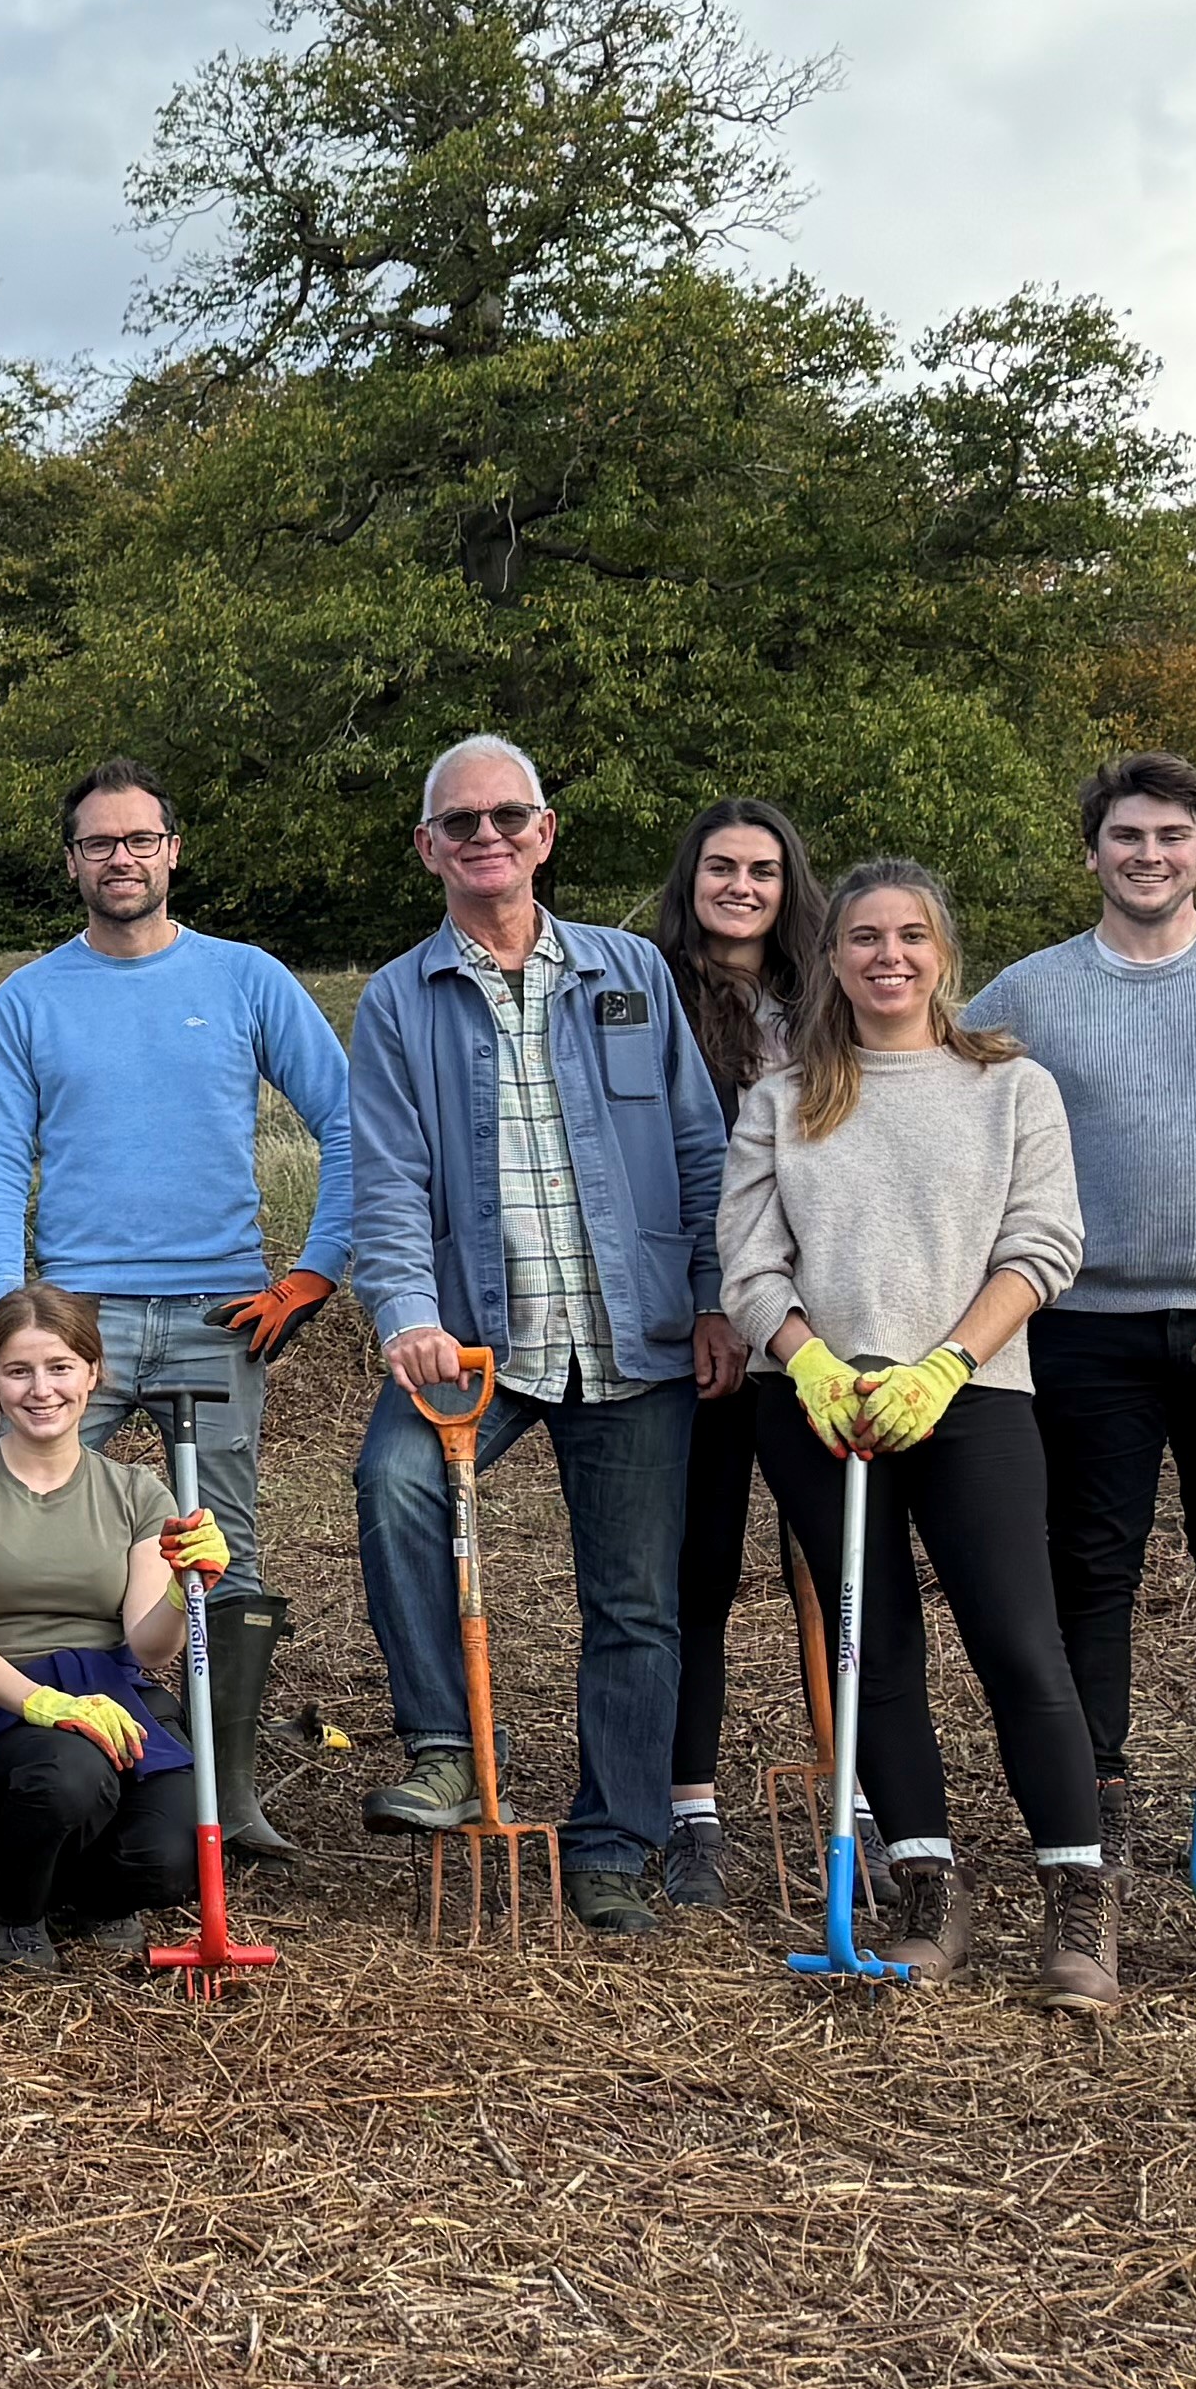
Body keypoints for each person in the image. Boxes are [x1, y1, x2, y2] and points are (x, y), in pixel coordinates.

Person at [340, 735, 735, 1939]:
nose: (486, 837)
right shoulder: (401, 1000)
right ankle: (446, 1748)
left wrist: (719, 1293)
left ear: (546, 832)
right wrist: (406, 1315)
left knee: (635, 1603)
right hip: (482, 1343)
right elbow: (389, 1183)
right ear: (428, 849)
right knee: (394, 1479)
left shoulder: (627, 974)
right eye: (460, 823)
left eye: (508, 816)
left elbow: (698, 1146)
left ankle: (616, 1839)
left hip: (639, 1335)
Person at [718, 863, 1114, 2002]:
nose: (887, 957)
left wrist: (949, 1362)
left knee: (1018, 1644)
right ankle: (927, 1882)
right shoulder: (784, 1097)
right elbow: (749, 1263)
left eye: (910, 937)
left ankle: (1078, 1892)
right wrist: (811, 1362)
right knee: (873, 1650)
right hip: (822, 1405)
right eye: (862, 939)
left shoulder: (1010, 1087)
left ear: (943, 950)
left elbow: (1043, 1243)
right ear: (833, 956)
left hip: (972, 1396)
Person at [970, 755, 1196, 1897]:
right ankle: (1098, 1796)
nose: (1148, 856)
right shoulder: (1027, 995)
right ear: (1092, 853)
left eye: (1172, 837)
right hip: (1086, 1319)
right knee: (1092, 1563)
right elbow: (934, 1084)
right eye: (1127, 836)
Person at [0, 764, 354, 1585]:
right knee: (16, 1535)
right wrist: (8, 1310)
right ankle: (44, 1707)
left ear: (173, 852)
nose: (121, 858)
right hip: (75, 1316)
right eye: (98, 842)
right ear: (71, 861)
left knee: (222, 1548)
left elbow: (354, 1129)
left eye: (140, 839)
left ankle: (224, 1719)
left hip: (222, 1315)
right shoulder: (27, 999)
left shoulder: (247, 979)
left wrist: (316, 1270)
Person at [0, 1290, 234, 1975]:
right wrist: (44, 1705)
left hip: (111, 1689)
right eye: (17, 1371)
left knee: (172, 1852)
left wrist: (186, 1586)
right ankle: (7, 1907)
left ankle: (69, 1887)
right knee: (68, 1774)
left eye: (60, 1367)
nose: (41, 1390)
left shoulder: (137, 1492)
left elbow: (149, 1646)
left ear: (93, 1372)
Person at [641, 800, 822, 1909]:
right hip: (704, 1319)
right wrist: (710, 1298)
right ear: (692, 879)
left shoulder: (828, 1000)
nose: (741, 887)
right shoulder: (652, 992)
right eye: (721, 868)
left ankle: (851, 1779)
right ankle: (691, 1801)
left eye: (762, 870)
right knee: (698, 1569)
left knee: (830, 1564)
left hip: (816, 1319)